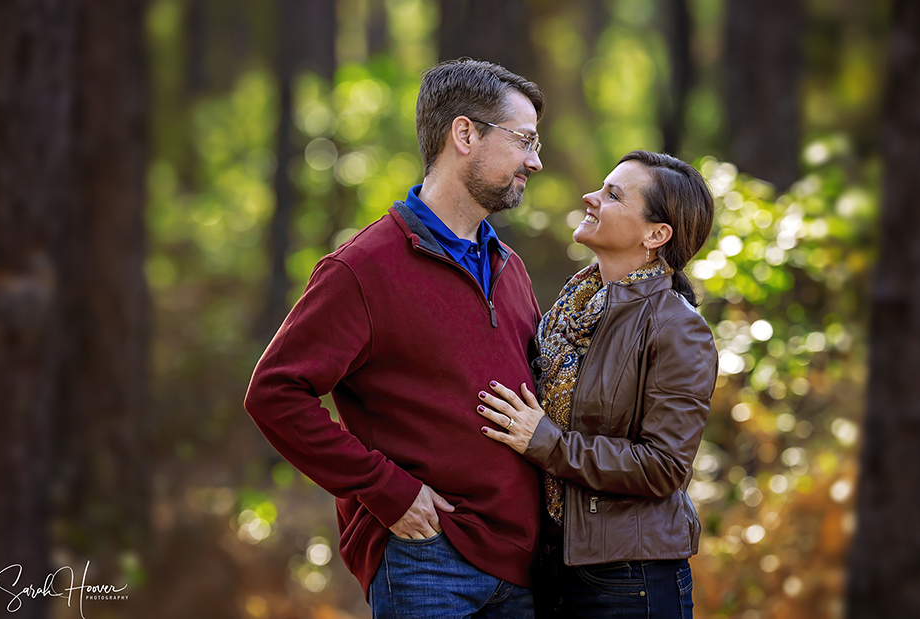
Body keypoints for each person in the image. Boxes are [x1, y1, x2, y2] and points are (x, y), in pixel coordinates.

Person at [244, 58, 545, 618]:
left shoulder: (511, 268)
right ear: (465, 133)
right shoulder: (362, 269)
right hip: (427, 563)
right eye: (524, 140)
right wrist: (387, 490)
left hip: (523, 567)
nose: (536, 159)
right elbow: (275, 394)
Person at [476, 150, 718, 619]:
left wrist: (545, 441)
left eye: (612, 195)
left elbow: (664, 467)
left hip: (631, 576)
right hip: (553, 565)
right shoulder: (572, 311)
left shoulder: (676, 327)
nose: (590, 196)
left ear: (656, 234)